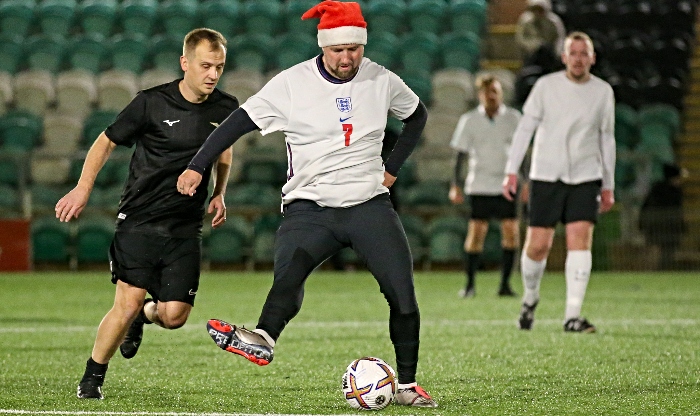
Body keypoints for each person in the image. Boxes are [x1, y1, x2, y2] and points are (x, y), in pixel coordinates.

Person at [177, 1, 437, 408]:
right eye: (338, 50)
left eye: (354, 48)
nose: (347, 57)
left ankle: (406, 386)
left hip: (369, 205)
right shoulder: (291, 84)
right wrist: (197, 165)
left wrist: (393, 168)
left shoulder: (382, 79)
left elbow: (417, 116)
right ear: (323, 46)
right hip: (309, 207)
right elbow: (235, 124)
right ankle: (263, 337)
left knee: (402, 294)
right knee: (289, 275)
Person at [55, 28, 238, 399]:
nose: (213, 74)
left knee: (174, 317)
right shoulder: (151, 103)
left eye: (219, 66)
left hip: (185, 228)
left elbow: (224, 150)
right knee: (126, 303)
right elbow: (105, 141)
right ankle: (92, 378)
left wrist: (219, 192)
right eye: (205, 65)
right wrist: (83, 187)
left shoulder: (226, 107)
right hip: (138, 220)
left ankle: (145, 316)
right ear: (185, 63)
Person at [502, 31, 616, 334]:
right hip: (546, 174)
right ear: (564, 57)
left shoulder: (603, 91)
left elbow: (607, 137)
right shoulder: (545, 86)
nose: (578, 58)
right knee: (538, 246)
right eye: (573, 53)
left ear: (592, 58)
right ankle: (530, 299)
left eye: (584, 53)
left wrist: (608, 184)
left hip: (585, 175)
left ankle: (572, 316)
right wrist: (512, 171)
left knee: (580, 240)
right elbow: (526, 129)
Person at [448, 74, 522, 299]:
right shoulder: (469, 120)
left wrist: (525, 180)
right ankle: (470, 285)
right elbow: (460, 155)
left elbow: (522, 153)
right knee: (476, 233)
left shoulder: (513, 118)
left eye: (495, 92)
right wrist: (455, 184)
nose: (491, 96)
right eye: (487, 92)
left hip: (506, 183)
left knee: (510, 233)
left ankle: (505, 284)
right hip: (479, 183)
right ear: (480, 95)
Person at [639, 163, 686, 270]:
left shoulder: (656, 188)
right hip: (666, 229)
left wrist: (642, 223)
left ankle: (657, 270)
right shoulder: (674, 192)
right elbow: (676, 212)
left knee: (657, 249)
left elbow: (645, 207)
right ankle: (662, 269)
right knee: (665, 250)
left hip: (654, 227)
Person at [515, 0, 566, 72]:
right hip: (531, 53)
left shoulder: (554, 21)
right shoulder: (525, 21)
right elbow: (521, 38)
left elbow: (560, 38)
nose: (537, 12)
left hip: (550, 54)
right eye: (534, 9)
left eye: (540, 10)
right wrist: (534, 45)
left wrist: (557, 53)